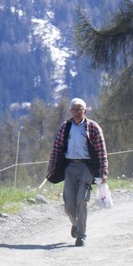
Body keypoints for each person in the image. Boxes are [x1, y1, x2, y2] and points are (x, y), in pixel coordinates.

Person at [46, 98, 108, 247]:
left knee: (81, 200)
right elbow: (56, 148)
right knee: (68, 203)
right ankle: (75, 223)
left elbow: (101, 151)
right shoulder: (65, 127)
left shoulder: (93, 127)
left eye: (80, 109)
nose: (77, 112)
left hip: (86, 167)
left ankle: (81, 235)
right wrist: (51, 168)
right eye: (74, 109)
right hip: (69, 167)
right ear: (70, 112)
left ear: (85, 111)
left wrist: (104, 171)